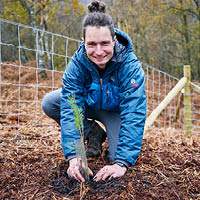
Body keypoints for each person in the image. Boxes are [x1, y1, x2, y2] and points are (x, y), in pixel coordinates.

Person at [42, 0, 146, 182]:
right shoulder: (76, 65)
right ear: (83, 42)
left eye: (105, 43)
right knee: (51, 102)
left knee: (117, 157)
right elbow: (71, 108)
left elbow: (134, 112)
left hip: (115, 112)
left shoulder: (130, 66)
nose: (99, 51)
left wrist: (121, 163)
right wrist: (74, 156)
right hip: (88, 104)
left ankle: (112, 145)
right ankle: (93, 132)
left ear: (114, 41)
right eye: (92, 44)